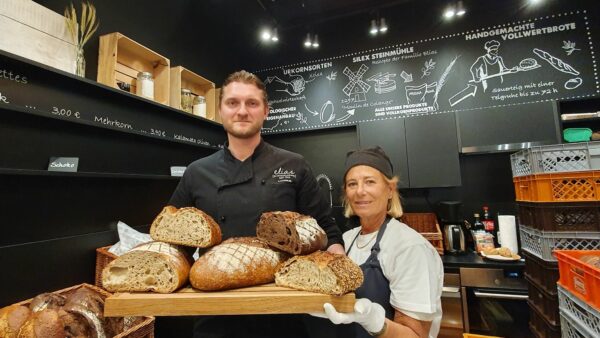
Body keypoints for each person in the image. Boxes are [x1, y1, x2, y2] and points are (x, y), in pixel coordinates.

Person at [168, 70, 345, 338]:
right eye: (233, 103)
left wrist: (337, 260)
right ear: (220, 111)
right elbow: (174, 241)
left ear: (266, 111)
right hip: (216, 312)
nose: (242, 111)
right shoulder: (197, 172)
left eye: (252, 103)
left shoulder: (293, 165)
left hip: (282, 309)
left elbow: (326, 229)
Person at [312, 146, 443, 338]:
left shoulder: (410, 248)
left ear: (390, 190)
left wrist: (375, 323)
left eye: (370, 182)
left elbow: (416, 335)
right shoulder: (345, 241)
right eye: (352, 184)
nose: (360, 191)